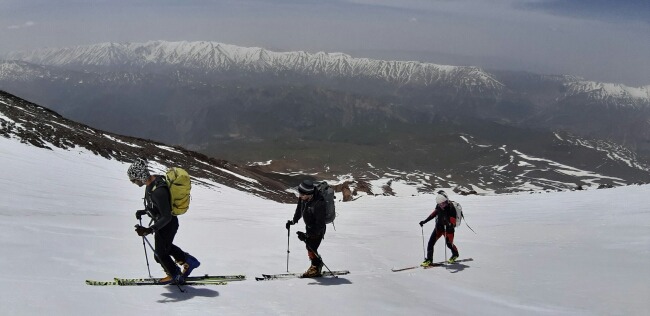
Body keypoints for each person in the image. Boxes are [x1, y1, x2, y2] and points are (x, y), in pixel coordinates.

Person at [128, 158, 200, 284]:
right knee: (165, 248)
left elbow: (166, 216)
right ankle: (189, 261)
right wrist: (144, 211)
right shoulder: (151, 183)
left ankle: (175, 275)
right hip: (164, 224)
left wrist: (150, 229)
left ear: (140, 175)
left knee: (160, 254)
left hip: (167, 225)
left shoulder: (158, 191)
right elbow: (158, 207)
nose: (133, 182)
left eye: (134, 179)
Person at [285, 179, 327, 278]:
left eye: (302, 195)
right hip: (309, 226)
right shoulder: (304, 197)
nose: (300, 196)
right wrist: (294, 221)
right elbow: (300, 208)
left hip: (317, 230)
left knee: (311, 246)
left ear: (309, 193)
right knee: (309, 246)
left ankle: (316, 267)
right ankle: (316, 263)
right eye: (299, 193)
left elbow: (320, 224)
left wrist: (306, 236)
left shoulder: (319, 203)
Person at [419, 190, 460, 266]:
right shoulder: (438, 206)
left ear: (446, 201)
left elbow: (453, 221)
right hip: (438, 228)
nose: (441, 205)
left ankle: (455, 254)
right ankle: (429, 260)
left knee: (449, 245)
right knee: (430, 243)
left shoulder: (451, 208)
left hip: (448, 230)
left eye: (443, 203)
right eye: (440, 204)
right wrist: (425, 221)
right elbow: (434, 213)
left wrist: (448, 223)